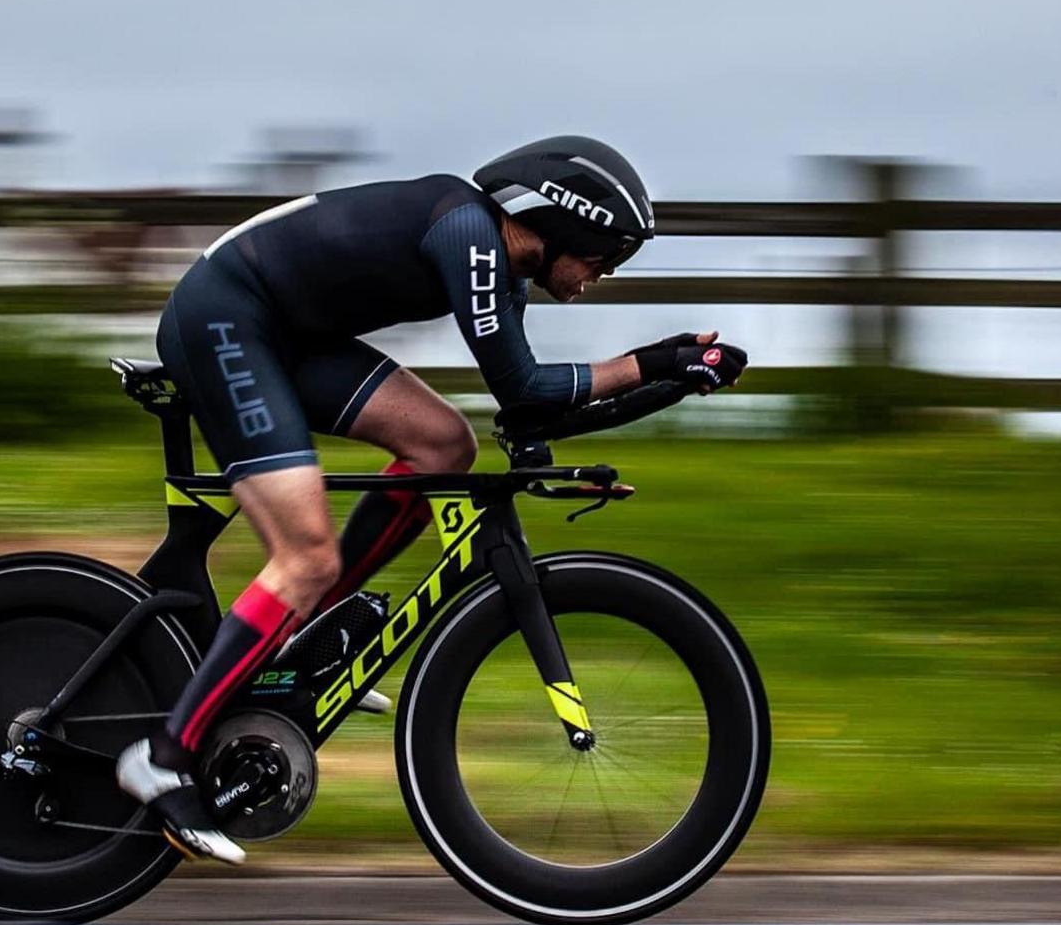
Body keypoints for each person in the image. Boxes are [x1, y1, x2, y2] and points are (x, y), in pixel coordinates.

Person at [115, 135, 748, 863]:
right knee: (306, 555)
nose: (602, 276)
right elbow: (526, 389)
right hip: (226, 321)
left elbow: (530, 417)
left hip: (285, 334)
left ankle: (304, 644)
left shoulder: (502, 266)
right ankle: (160, 759)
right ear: (569, 224)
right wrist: (653, 360)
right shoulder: (469, 236)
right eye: (605, 257)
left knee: (445, 448)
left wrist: (673, 379)